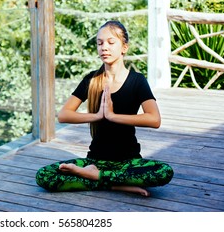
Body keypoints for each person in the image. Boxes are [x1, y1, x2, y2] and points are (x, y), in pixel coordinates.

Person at [35, 20, 173, 197]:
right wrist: (98, 115)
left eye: (110, 42)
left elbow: (154, 119)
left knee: (164, 171)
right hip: (95, 160)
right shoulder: (92, 80)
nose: (104, 47)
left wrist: (113, 116)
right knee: (44, 175)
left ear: (124, 47)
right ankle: (113, 183)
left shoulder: (137, 81)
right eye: (99, 43)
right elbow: (63, 115)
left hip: (128, 162)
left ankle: (96, 178)